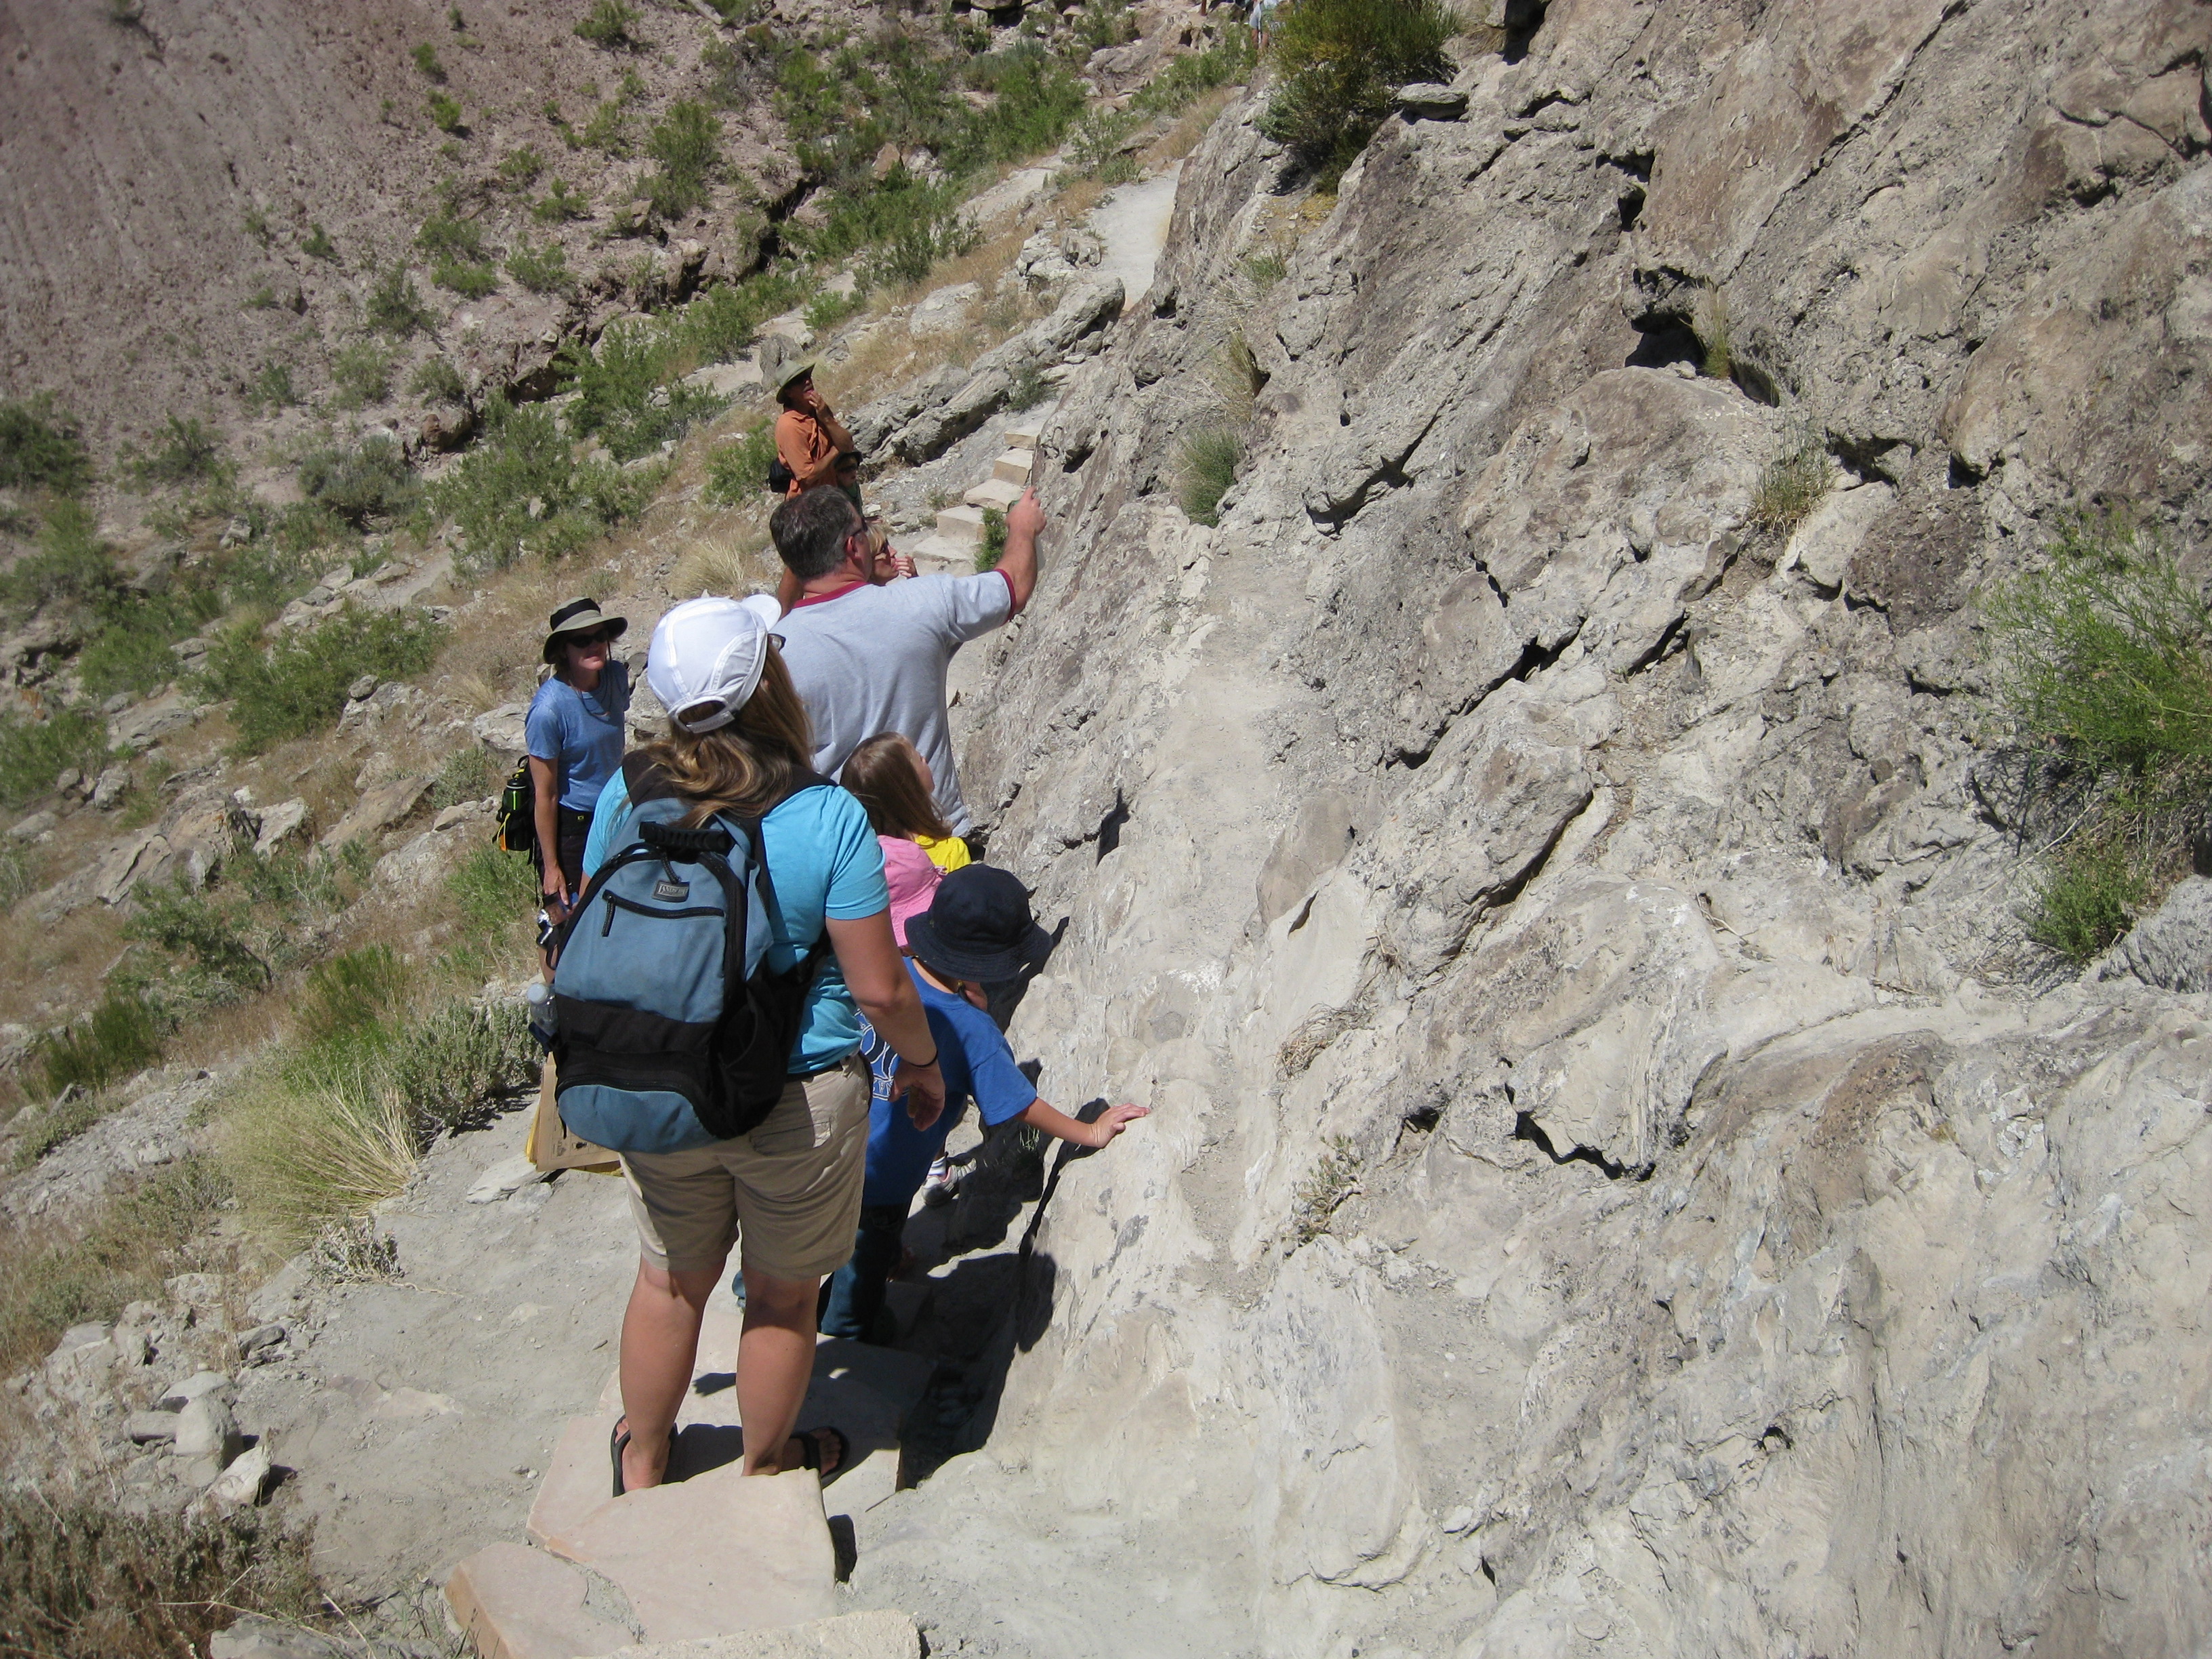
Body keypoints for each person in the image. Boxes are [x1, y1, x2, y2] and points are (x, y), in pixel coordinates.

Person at [579, 596, 947, 1495]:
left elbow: (599, 921)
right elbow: (879, 986)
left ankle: (645, 1458)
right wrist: (926, 1067)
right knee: (783, 1295)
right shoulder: (825, 815)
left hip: (662, 1084)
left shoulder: (630, 789)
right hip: (798, 1092)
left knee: (669, 1284)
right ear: (769, 680)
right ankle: (766, 1462)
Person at [820, 865, 1148, 1343]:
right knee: (864, 1255)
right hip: (883, 1178)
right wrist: (1089, 1133)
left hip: (825, 1145)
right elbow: (1018, 1103)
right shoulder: (972, 1030)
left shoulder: (885, 973)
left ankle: (757, 1287)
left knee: (807, 1229)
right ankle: (844, 1328)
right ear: (990, 964)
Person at [769, 484, 1042, 838]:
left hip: (848, 853)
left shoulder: (775, 656)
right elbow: (1012, 587)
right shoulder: (923, 603)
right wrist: (1022, 528)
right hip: (933, 838)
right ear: (853, 546)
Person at [527, 598, 630, 933]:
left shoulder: (614, 677)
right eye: (581, 641)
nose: (594, 645)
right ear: (563, 650)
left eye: (598, 636)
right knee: (562, 916)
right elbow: (546, 793)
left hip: (615, 811)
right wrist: (552, 865)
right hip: (574, 825)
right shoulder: (548, 710)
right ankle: (556, 982)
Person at [773, 362, 857, 501]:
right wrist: (836, 450)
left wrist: (826, 418)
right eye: (799, 381)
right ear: (789, 392)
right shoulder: (789, 425)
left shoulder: (818, 409)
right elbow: (807, 476)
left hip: (832, 494)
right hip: (809, 503)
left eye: (807, 376)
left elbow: (848, 445)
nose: (807, 381)